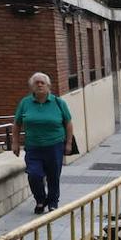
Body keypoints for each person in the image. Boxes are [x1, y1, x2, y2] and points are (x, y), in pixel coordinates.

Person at [11, 73, 73, 215]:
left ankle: (52, 203)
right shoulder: (25, 103)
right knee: (34, 175)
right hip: (33, 147)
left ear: (48, 86)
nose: (39, 85)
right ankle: (40, 199)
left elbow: (68, 123)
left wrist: (68, 143)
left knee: (53, 176)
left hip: (54, 146)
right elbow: (17, 124)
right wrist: (15, 142)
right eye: (36, 83)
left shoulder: (58, 102)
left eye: (42, 83)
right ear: (32, 86)